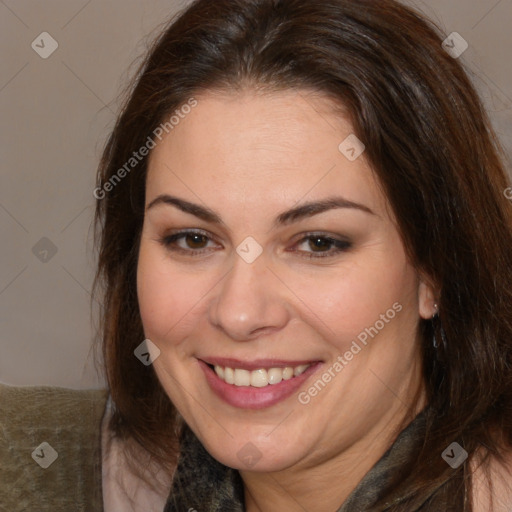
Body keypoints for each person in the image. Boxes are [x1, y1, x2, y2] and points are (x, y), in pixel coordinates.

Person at [93, 0, 512, 510]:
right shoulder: (34, 466)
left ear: (436, 269)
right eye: (193, 238)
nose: (239, 313)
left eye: (318, 243)